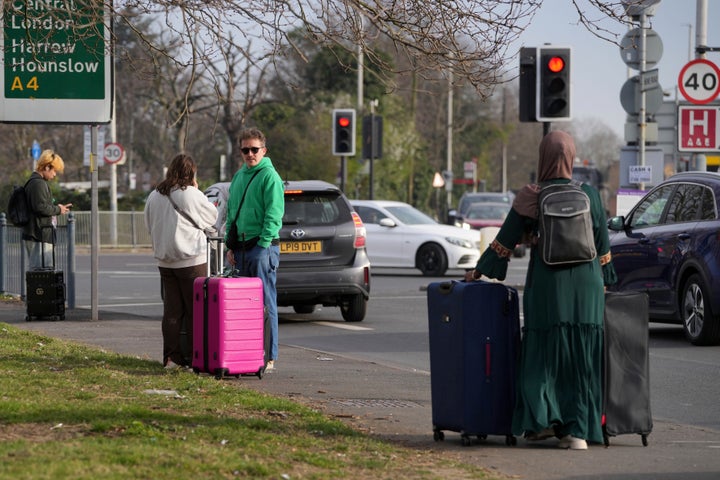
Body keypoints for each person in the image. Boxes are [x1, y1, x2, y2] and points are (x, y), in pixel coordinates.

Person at [464, 130, 617, 450]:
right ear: (572, 157)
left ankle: (543, 422)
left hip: (549, 285)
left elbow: (505, 242)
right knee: (581, 359)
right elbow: (603, 248)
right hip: (587, 286)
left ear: (543, 157)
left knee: (543, 355)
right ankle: (579, 431)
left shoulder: (531, 195)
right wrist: (603, 281)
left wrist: (479, 270)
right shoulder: (589, 194)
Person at [144, 154, 218, 369]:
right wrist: (197, 189)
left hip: (165, 261)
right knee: (196, 311)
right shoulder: (191, 194)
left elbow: (149, 225)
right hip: (192, 260)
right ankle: (196, 357)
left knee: (172, 312)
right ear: (191, 173)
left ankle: (171, 358)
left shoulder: (154, 196)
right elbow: (211, 217)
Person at [225, 128, 284, 371]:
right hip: (240, 248)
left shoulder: (269, 176)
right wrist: (231, 244)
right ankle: (246, 352)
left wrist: (263, 244)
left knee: (265, 302)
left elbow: (274, 214)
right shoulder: (239, 176)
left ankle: (269, 356)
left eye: (254, 149)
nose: (250, 154)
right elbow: (231, 212)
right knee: (243, 304)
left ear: (264, 150)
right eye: (245, 150)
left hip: (262, 247)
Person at [22, 150, 72, 270]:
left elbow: (41, 205)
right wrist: (58, 210)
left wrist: (57, 208)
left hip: (40, 234)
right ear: (47, 167)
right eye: (54, 171)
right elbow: (40, 207)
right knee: (41, 273)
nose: (55, 175)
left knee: (41, 272)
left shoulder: (35, 182)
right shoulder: (38, 184)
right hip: (39, 235)